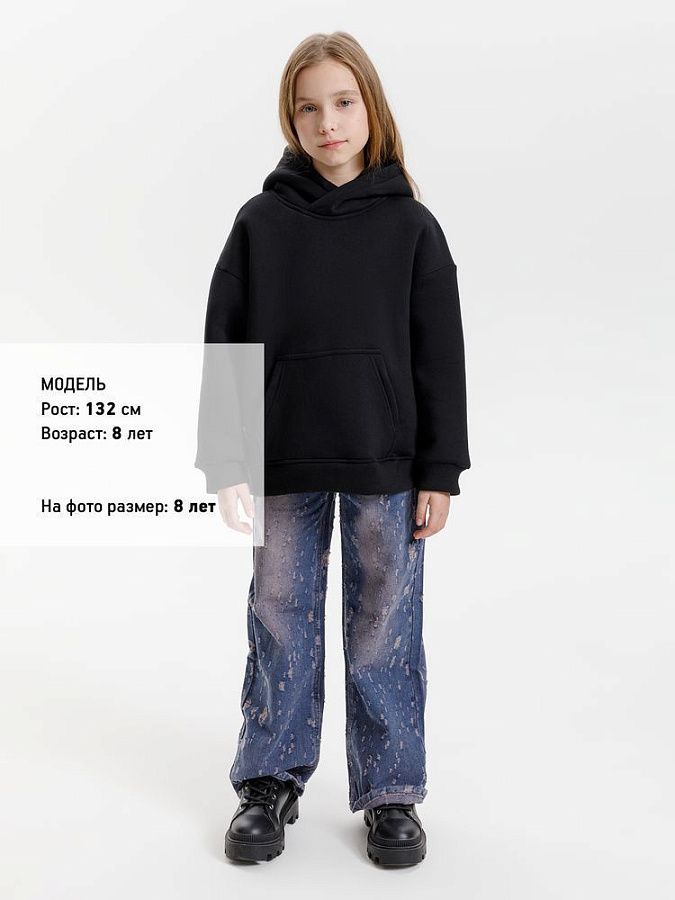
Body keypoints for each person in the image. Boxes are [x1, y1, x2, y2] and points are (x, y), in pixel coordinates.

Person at [195, 31, 470, 867]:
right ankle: (268, 781)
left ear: (370, 107)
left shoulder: (411, 227)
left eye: (343, 102)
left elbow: (440, 354)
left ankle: (390, 792)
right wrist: (227, 458)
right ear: (290, 119)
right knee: (279, 615)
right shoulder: (259, 224)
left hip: (387, 460)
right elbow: (226, 340)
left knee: (384, 623)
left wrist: (440, 469)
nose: (327, 122)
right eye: (308, 108)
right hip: (283, 456)